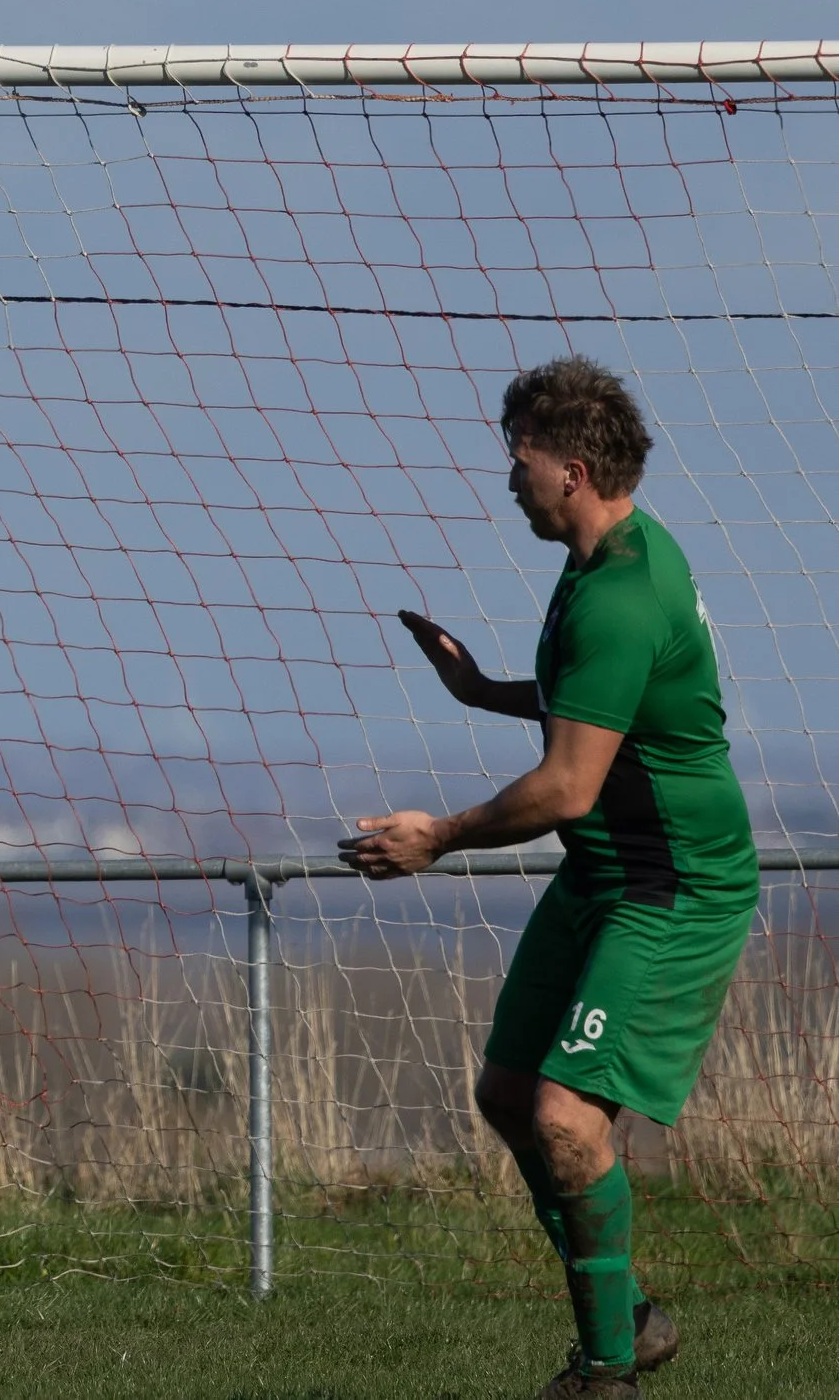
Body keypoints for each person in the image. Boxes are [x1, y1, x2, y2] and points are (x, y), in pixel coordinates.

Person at [344, 356, 757, 1400]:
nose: (507, 478)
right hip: (606, 878)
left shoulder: (620, 593)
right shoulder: (605, 559)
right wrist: (482, 688)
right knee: (506, 1091)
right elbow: (593, 703)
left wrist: (436, 835)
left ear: (570, 468)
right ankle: (629, 1318)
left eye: (517, 459)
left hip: (673, 886)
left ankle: (605, 1370)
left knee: (568, 1118)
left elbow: (568, 785)